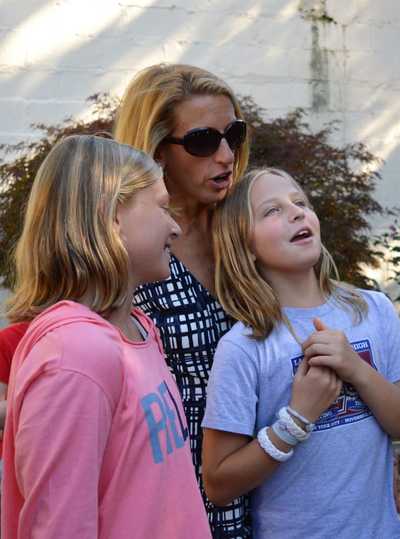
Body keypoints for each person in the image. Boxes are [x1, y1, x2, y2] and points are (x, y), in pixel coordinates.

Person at [201, 168, 400, 538]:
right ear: (244, 244)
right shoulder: (244, 346)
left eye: (300, 203)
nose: (296, 213)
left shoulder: (372, 309)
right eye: (271, 211)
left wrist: (358, 370)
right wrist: (296, 419)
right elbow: (219, 483)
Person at [1, 135, 210, 538]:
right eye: (163, 207)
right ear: (112, 216)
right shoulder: (76, 354)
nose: (176, 227)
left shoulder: (139, 328)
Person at [113, 63, 252, 537]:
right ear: (156, 151)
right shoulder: (124, 249)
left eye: (232, 134)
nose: (226, 154)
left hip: (271, 481)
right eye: (201, 141)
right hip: (168, 492)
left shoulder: (249, 230)